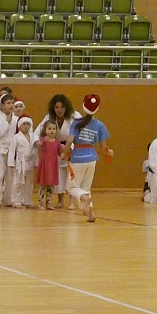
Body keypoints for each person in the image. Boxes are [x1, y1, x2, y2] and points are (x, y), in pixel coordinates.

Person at [65, 93, 112, 223]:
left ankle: (84, 199)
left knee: (72, 187)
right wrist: (109, 152)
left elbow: (69, 142)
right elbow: (103, 147)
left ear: (83, 106)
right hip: (92, 158)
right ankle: (91, 214)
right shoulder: (100, 125)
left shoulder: (77, 123)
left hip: (78, 157)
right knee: (86, 187)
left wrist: (64, 153)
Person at [34, 94, 79, 209]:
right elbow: (37, 131)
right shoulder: (49, 117)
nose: (59, 110)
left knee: (71, 176)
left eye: (62, 107)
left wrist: (70, 146)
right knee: (58, 174)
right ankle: (60, 200)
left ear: (67, 107)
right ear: (53, 108)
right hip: (55, 148)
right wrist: (37, 142)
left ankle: (72, 201)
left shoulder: (75, 116)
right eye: (57, 107)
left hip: (72, 147)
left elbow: (80, 135)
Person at [7, 115, 34, 209]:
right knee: (17, 182)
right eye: (24, 124)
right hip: (20, 162)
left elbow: (35, 150)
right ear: (19, 125)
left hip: (30, 162)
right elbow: (11, 151)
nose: (26, 126)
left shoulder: (33, 137)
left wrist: (36, 162)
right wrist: (11, 163)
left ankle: (27, 200)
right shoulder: (16, 137)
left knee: (29, 183)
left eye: (28, 124)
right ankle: (16, 200)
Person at [35, 120, 62, 209]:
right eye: (49, 128)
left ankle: (48, 203)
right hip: (45, 165)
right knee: (43, 185)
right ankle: (40, 203)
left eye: (54, 129)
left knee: (51, 186)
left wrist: (63, 149)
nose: (52, 131)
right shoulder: (43, 140)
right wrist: (42, 142)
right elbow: (39, 146)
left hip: (53, 165)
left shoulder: (57, 142)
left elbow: (59, 153)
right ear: (45, 130)